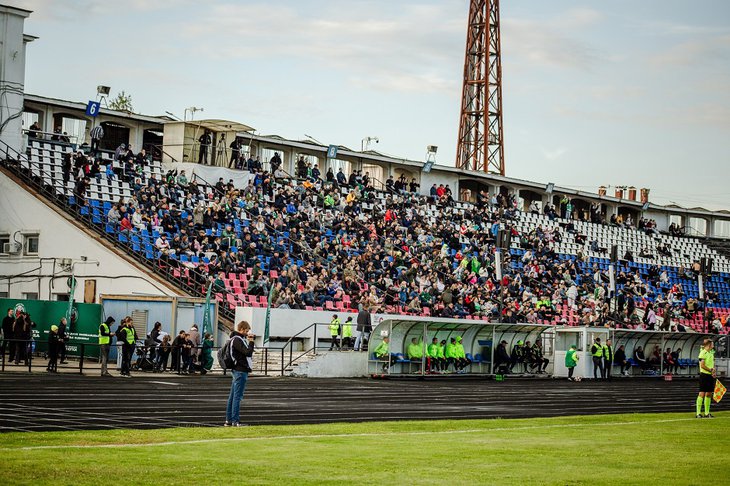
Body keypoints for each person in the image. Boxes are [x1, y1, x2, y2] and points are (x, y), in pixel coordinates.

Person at [225, 320, 255, 427]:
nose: (247, 333)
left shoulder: (234, 339)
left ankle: (229, 420)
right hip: (240, 370)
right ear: (241, 329)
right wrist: (251, 342)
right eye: (246, 331)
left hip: (237, 370)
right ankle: (235, 420)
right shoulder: (237, 340)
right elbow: (247, 352)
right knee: (237, 397)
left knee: (233, 396)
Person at [696, 339, 716, 418]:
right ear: (709, 344)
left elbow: (711, 365)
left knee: (709, 393)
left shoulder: (710, 353)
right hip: (704, 375)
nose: (713, 345)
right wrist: (711, 370)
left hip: (710, 375)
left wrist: (713, 372)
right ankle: (698, 413)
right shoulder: (703, 352)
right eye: (712, 344)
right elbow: (702, 365)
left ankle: (707, 413)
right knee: (702, 393)